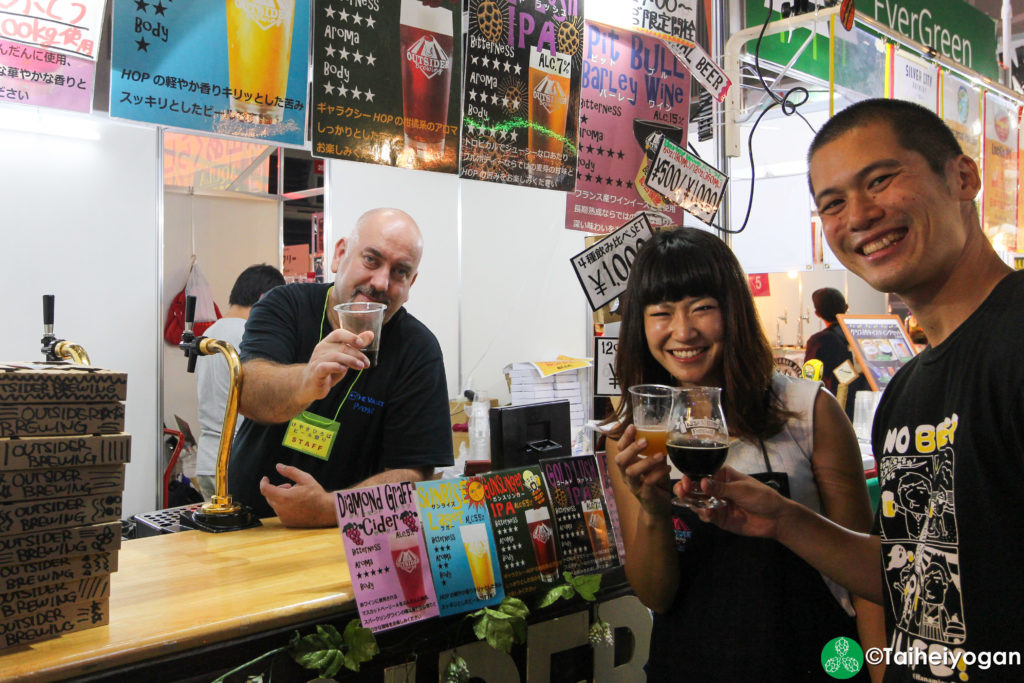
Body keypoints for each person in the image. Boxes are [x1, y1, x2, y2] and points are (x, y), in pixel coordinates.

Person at [682, 99, 1023, 682]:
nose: (859, 217)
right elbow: (916, 568)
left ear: (962, 178)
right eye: (833, 203)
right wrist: (787, 521)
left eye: (881, 180)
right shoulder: (906, 393)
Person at [606, 227, 880, 681]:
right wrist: (654, 512)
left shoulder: (808, 411)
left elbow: (865, 573)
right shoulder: (635, 439)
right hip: (690, 667)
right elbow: (655, 596)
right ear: (641, 324)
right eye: (661, 312)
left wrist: (878, 671)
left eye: (702, 308)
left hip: (818, 661)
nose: (683, 331)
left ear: (733, 311)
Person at [228, 208, 453, 527]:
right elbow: (249, 394)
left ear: (411, 283)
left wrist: (331, 508)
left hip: (349, 541)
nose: (380, 282)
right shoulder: (285, 306)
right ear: (340, 254)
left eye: (400, 272)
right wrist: (306, 380)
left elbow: (417, 473)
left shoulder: (417, 349)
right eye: (371, 260)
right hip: (250, 526)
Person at [194, 264, 285, 501]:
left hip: (207, 460)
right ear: (266, 298)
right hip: (236, 460)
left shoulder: (210, 333)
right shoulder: (251, 335)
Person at [804, 287, 870, 419]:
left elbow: (809, 380)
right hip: (867, 408)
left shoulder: (819, 341)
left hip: (835, 413)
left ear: (817, 313)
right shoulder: (864, 336)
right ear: (846, 307)